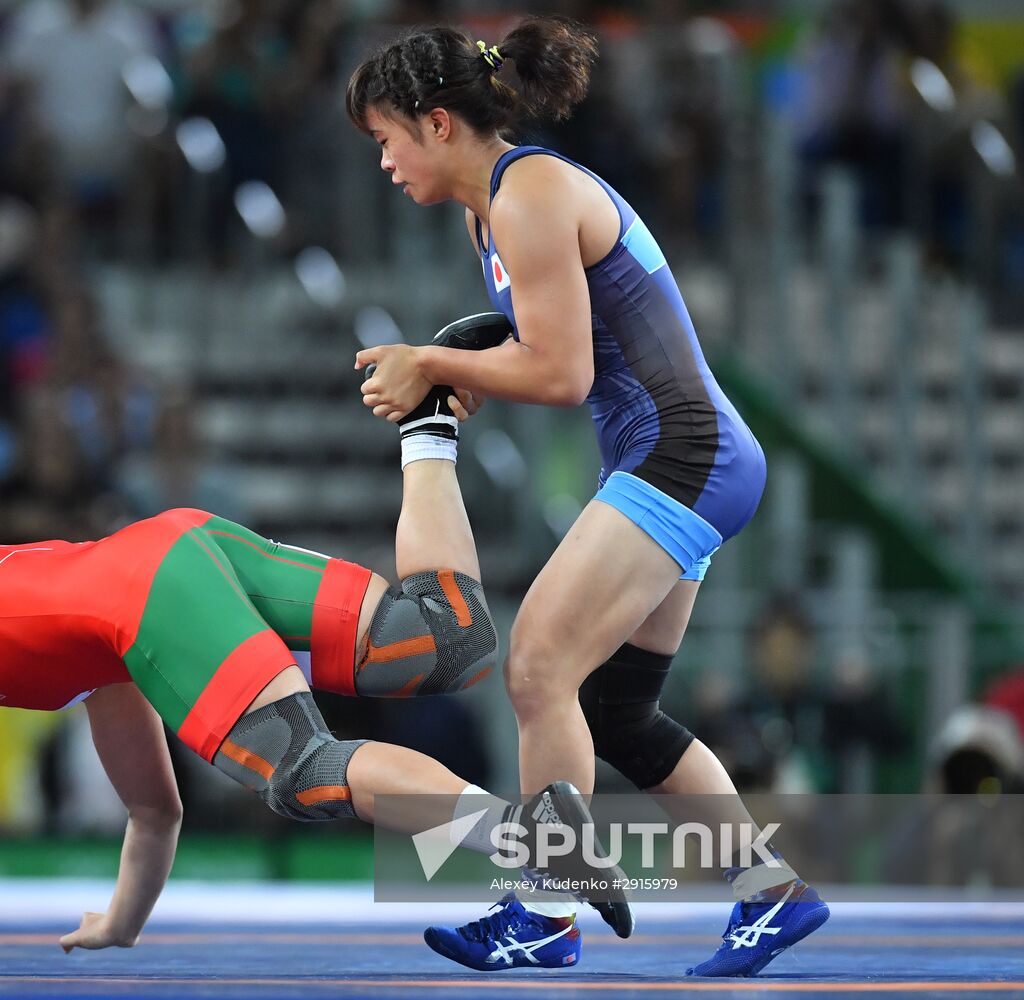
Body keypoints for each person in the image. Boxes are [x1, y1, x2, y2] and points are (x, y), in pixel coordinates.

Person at [0, 323, 593, 978]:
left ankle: (532, 842)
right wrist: (120, 924)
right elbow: (154, 813)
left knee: (307, 770)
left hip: (148, 591)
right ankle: (428, 427)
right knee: (443, 639)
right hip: (177, 544)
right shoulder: (80, 652)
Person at [347, 17, 827, 977]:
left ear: (438, 123)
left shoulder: (527, 192)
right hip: (681, 455)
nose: (386, 162)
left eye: (387, 139)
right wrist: (479, 359)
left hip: (679, 453)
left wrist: (434, 359)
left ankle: (544, 910)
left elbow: (562, 373)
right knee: (613, 711)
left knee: (537, 667)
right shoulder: (493, 207)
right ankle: (769, 894)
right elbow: (561, 337)